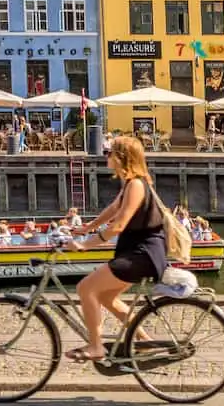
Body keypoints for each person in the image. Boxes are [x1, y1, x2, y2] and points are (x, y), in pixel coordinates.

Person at [63, 135, 166, 363]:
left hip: (143, 254)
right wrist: (87, 228)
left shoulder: (137, 185)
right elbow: (113, 209)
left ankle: (95, 346)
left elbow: (118, 225)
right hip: (137, 253)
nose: (106, 157)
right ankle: (144, 342)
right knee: (107, 297)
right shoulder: (131, 183)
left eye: (109, 153)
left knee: (85, 288)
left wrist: (85, 246)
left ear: (122, 157)